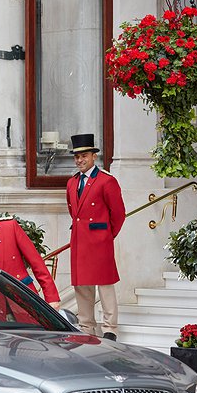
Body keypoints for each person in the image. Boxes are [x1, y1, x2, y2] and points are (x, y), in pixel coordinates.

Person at [66, 134, 126, 341]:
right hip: (80, 240)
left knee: (105, 285)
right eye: (77, 157)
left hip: (100, 241)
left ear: (93, 156)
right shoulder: (72, 183)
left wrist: (107, 236)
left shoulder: (106, 181)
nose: (80, 160)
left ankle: (110, 328)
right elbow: (74, 212)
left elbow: (118, 214)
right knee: (82, 286)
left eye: (84, 156)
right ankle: (86, 327)